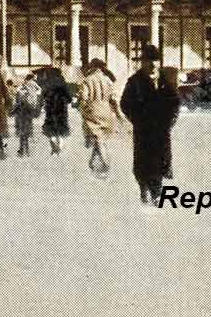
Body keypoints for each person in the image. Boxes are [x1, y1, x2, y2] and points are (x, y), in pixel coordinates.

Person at [119, 45, 180, 204]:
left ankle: (156, 194)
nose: (152, 64)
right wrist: (137, 120)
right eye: (148, 61)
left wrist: (169, 121)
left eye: (155, 60)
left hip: (161, 131)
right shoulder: (134, 82)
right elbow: (124, 104)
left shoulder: (165, 81)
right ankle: (143, 189)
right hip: (143, 131)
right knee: (142, 163)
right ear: (143, 62)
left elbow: (175, 103)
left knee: (160, 162)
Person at [76, 58, 123, 178]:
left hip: (92, 112)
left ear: (93, 68)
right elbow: (113, 99)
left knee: (98, 140)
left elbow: (84, 98)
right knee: (100, 140)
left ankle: (106, 166)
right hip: (106, 112)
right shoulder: (108, 80)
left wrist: (82, 110)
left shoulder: (87, 80)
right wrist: (117, 113)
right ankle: (94, 166)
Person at [40, 62, 74, 155]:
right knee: (61, 127)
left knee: (51, 127)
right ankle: (59, 146)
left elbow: (43, 94)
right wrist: (69, 101)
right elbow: (68, 95)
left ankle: (54, 143)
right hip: (61, 107)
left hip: (50, 107)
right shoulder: (62, 82)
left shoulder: (47, 82)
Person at [12, 71, 42, 157]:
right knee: (28, 125)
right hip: (32, 108)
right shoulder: (34, 84)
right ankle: (27, 150)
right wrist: (35, 96)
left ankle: (22, 150)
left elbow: (18, 93)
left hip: (24, 109)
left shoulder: (24, 84)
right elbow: (40, 91)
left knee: (23, 129)